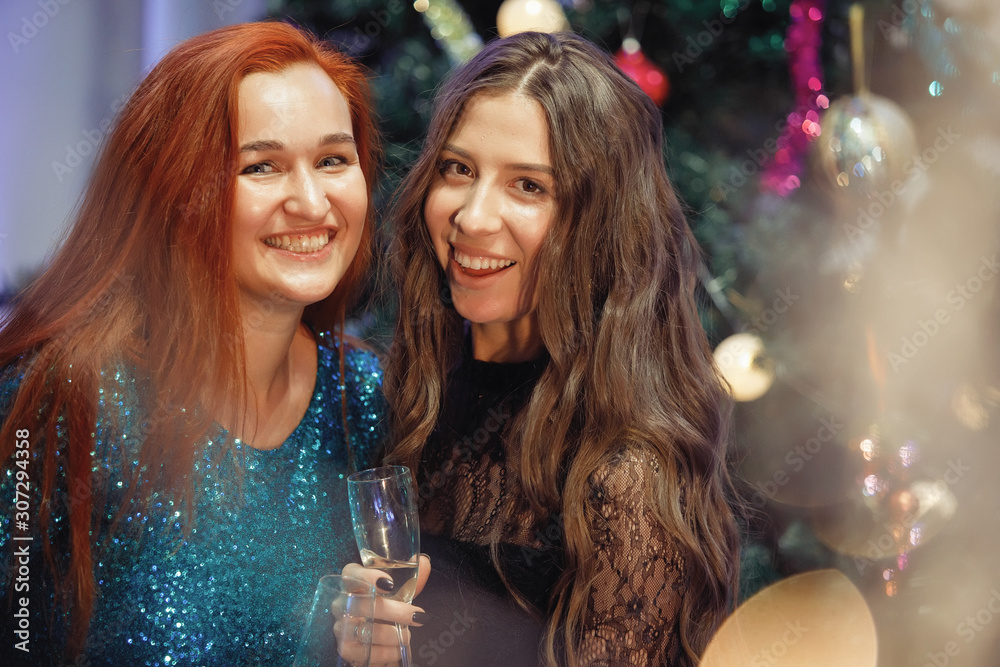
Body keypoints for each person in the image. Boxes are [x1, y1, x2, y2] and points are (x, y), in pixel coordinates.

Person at [0, 21, 423, 665]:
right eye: (262, 166)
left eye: (334, 160)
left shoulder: (368, 398)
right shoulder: (63, 396)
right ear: (176, 192)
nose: (313, 202)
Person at [383, 31, 741, 666]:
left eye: (528, 187)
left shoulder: (629, 472)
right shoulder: (415, 394)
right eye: (458, 170)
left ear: (599, 224)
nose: (472, 217)